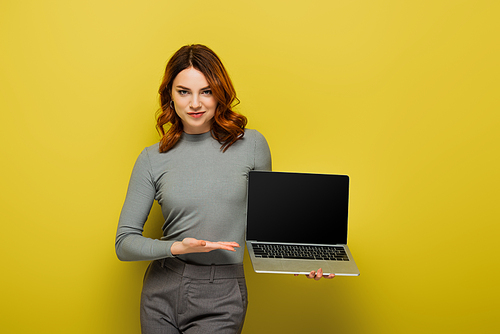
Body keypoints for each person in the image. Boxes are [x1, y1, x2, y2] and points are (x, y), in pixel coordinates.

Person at [115, 44, 333, 334]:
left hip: (222, 292)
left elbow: (266, 229)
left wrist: (302, 259)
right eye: (184, 92)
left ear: (220, 92)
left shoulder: (252, 146)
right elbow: (124, 242)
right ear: (170, 95)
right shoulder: (151, 159)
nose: (195, 103)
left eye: (206, 91)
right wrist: (176, 247)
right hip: (162, 288)